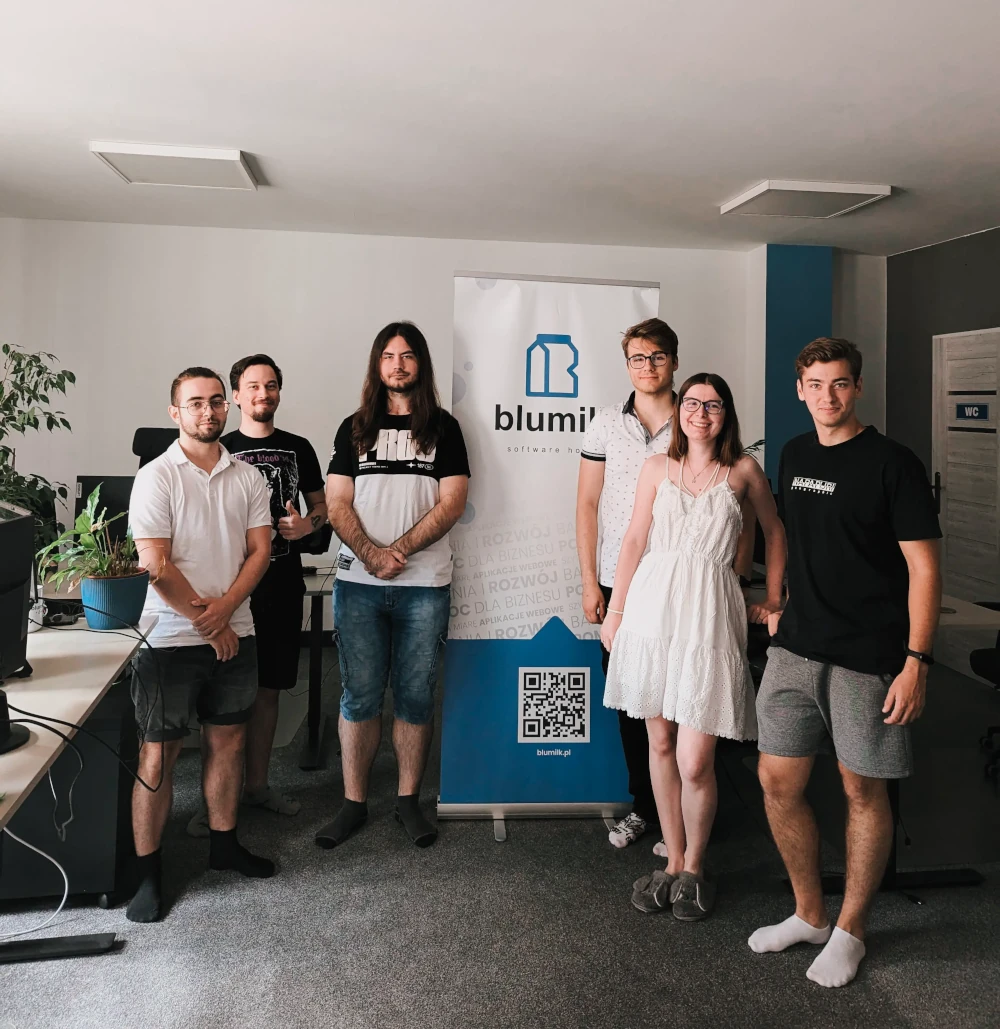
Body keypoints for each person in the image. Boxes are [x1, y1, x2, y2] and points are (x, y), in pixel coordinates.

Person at [749, 337, 941, 987]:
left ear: (857, 388)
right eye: (814, 383)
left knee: (863, 788)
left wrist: (917, 660)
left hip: (870, 657)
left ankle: (852, 928)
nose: (826, 395)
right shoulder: (794, 454)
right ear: (798, 389)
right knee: (778, 781)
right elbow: (796, 541)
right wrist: (778, 603)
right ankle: (808, 913)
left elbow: (924, 567)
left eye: (839, 383)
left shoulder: (894, 464)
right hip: (796, 647)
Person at [601, 372, 785, 921]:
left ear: (726, 413)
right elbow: (634, 538)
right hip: (652, 612)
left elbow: (775, 533)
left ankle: (696, 867)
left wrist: (772, 600)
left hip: (709, 613)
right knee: (659, 745)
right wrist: (615, 610)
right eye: (693, 402)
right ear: (680, 408)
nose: (701, 412)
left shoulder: (743, 471)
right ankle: (673, 860)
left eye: (714, 404)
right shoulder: (656, 467)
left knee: (695, 758)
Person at [127, 367, 275, 923]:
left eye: (216, 402)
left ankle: (224, 845)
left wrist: (226, 612)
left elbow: (259, 552)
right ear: (175, 413)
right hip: (168, 639)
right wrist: (212, 623)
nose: (208, 412)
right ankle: (149, 872)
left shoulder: (248, 477)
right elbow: (155, 564)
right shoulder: (157, 476)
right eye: (195, 404)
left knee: (228, 743)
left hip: (238, 631)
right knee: (159, 755)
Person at [317, 322, 470, 849]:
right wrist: (371, 555)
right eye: (388, 356)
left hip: (424, 586)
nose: (398, 364)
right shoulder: (353, 428)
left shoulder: (444, 428)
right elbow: (337, 503)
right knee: (358, 696)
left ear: (420, 365)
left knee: (414, 695)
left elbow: (452, 503)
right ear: (377, 365)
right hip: (357, 585)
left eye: (407, 356)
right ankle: (353, 803)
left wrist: (397, 552)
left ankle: (408, 802)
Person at [187, 354, 324, 826]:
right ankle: (213, 803)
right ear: (236, 396)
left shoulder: (299, 448)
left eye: (270, 385)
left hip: (283, 586)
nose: (262, 394)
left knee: (268, 691)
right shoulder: (215, 447)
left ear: (279, 393)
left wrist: (309, 524)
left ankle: (257, 787)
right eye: (252, 386)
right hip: (229, 590)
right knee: (224, 700)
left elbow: (322, 509)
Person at [577, 318, 677, 853]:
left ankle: (684, 813)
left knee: (680, 700)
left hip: (680, 583)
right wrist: (590, 582)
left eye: (657, 356)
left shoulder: (698, 420)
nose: (647, 366)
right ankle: (644, 806)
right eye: (638, 358)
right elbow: (587, 505)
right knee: (630, 701)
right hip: (620, 584)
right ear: (627, 366)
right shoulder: (604, 425)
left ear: (674, 362)